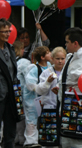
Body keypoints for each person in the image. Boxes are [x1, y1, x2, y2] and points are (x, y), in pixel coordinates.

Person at [56, 27, 82, 148]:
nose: (65, 45)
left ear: (75, 43)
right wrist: (60, 88)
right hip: (66, 106)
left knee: (80, 141)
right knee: (66, 139)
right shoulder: (71, 57)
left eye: (67, 42)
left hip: (78, 108)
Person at [23, 46, 52, 147]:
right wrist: (40, 88)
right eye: (48, 53)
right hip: (33, 99)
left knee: (43, 118)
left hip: (45, 98)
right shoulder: (34, 68)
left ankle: (42, 138)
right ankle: (31, 141)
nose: (50, 54)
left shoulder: (49, 66)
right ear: (42, 57)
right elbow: (30, 84)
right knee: (32, 119)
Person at [0, 18, 19, 148]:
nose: (8, 34)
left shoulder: (10, 48)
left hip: (11, 95)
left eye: (9, 31)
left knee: (10, 130)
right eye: (4, 31)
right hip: (0, 94)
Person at [13, 41, 30, 146]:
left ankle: (16, 137)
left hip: (12, 92)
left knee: (14, 116)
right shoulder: (24, 62)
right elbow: (29, 77)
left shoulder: (10, 61)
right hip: (23, 92)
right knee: (22, 117)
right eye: (23, 48)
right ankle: (22, 138)